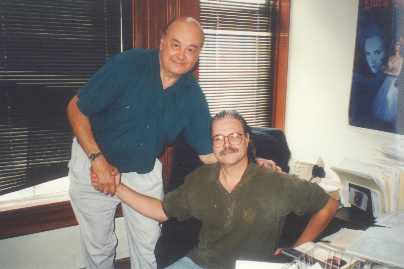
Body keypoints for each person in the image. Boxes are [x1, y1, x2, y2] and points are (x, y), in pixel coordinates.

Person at [67, 17, 280, 269]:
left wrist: (253, 165)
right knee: (99, 248)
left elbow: (210, 155)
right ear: (162, 42)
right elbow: (75, 109)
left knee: (149, 248)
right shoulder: (126, 65)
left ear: (198, 55)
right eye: (176, 45)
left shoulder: (193, 96)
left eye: (191, 49)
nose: (182, 55)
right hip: (95, 161)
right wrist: (97, 160)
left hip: (143, 170)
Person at [92, 110, 339, 269]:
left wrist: (297, 249)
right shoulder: (199, 179)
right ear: (212, 144)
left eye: (234, 136)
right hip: (201, 263)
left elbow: (329, 205)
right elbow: (160, 211)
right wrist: (117, 187)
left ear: (247, 139)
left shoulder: (276, 182)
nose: (227, 144)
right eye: (219, 138)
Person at [373, 36, 404, 124]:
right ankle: (384, 121)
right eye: (394, 44)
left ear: (400, 46)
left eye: (397, 44)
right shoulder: (390, 58)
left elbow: (397, 74)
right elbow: (386, 68)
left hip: (394, 82)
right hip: (387, 81)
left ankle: (391, 119)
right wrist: (386, 70)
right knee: (383, 98)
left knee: (389, 97)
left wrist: (386, 72)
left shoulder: (401, 59)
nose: (395, 46)